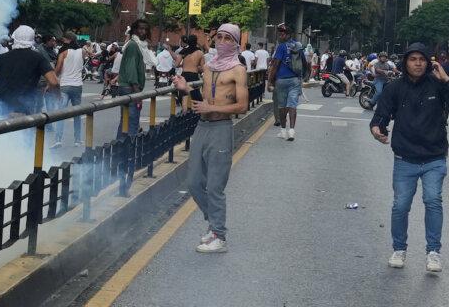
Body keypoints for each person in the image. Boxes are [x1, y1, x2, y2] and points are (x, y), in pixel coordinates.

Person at [370, 42, 449, 273]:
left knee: (433, 201)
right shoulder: (394, 88)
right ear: (406, 62)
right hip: (405, 157)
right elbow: (380, 116)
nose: (417, 63)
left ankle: (433, 252)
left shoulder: (438, 85)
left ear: (429, 62)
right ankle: (399, 249)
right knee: (400, 205)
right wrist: (377, 129)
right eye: (413, 59)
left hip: (434, 157)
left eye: (422, 59)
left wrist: (447, 80)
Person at [171, 23, 249, 254]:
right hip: (202, 127)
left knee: (215, 186)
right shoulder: (209, 67)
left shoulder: (238, 69)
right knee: (194, 182)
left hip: (221, 129)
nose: (222, 42)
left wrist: (210, 107)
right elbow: (201, 101)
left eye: (228, 38)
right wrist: (187, 89)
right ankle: (213, 222)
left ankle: (219, 235)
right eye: (219, 37)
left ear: (235, 43)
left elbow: (243, 106)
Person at [112, 19, 157, 136]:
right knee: (132, 121)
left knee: (126, 120)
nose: (143, 31)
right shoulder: (133, 45)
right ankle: (129, 148)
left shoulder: (138, 46)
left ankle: (121, 147)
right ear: (135, 30)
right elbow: (131, 69)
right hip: (130, 88)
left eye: (145, 29)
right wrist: (137, 94)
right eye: (141, 28)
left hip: (128, 87)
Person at [267, 23, 306, 141]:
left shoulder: (282, 47)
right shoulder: (298, 46)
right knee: (293, 105)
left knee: (282, 106)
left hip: (282, 80)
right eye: (280, 33)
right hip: (295, 80)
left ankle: (283, 131)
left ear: (288, 35)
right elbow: (305, 63)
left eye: (282, 33)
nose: (280, 35)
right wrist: (303, 77)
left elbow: (275, 65)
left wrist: (270, 81)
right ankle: (292, 131)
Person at [52, 34, 85, 147]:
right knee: (77, 114)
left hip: (65, 85)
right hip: (77, 86)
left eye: (64, 40)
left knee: (61, 113)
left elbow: (58, 69)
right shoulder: (82, 51)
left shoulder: (63, 53)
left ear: (69, 40)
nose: (63, 42)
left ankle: (58, 139)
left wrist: (52, 80)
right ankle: (77, 140)